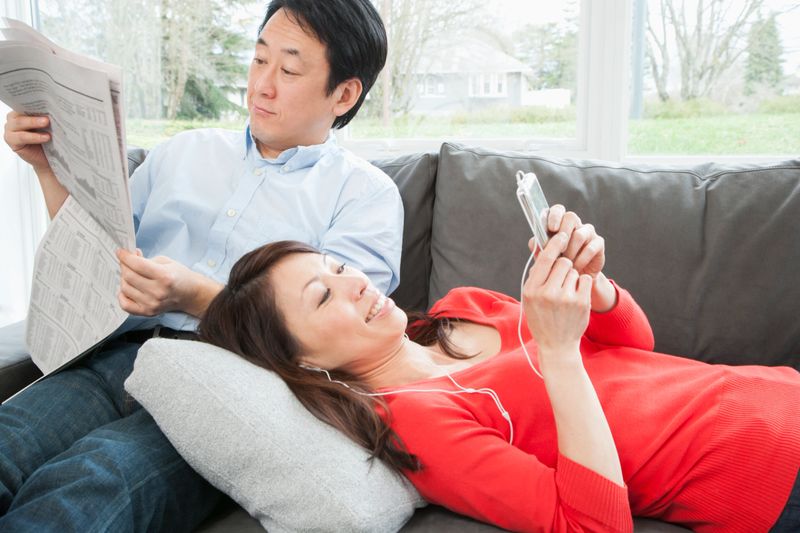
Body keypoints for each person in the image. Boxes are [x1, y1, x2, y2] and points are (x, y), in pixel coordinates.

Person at [0, 0, 400, 530]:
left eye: (289, 69)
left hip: (228, 389)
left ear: (344, 93)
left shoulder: (364, 195)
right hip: (117, 354)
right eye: (259, 60)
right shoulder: (182, 153)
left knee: (88, 486)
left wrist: (195, 296)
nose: (262, 85)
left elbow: (338, 338)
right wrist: (50, 172)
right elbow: (95, 254)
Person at [199, 207, 800, 533]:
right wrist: (559, 354)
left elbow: (633, 347)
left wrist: (593, 288)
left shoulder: (460, 309)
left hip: (778, 389)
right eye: (323, 296)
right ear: (302, 360)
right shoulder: (417, 421)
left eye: (334, 267)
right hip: (768, 473)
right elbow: (591, 525)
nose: (352, 283)